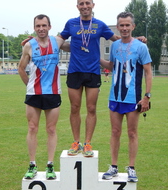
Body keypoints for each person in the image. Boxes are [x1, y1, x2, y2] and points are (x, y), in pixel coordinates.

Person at [60, 0, 147, 157]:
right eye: (81, 3)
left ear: (93, 5)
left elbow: (117, 38)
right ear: (77, 6)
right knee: (74, 107)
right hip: (74, 71)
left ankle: (87, 143)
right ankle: (76, 142)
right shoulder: (71, 24)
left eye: (87, 3)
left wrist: (136, 39)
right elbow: (59, 41)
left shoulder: (99, 25)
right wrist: (39, 41)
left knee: (91, 108)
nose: (84, 6)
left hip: (93, 71)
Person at [100, 12, 152, 183]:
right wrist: (97, 58)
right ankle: (113, 167)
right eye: (121, 25)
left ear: (133, 26)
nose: (124, 28)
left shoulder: (141, 47)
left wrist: (146, 97)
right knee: (115, 132)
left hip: (133, 98)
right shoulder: (114, 46)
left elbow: (148, 72)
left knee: (132, 133)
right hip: (115, 96)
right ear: (118, 27)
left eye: (127, 25)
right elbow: (112, 66)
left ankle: (131, 168)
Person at [18, 14, 69, 180]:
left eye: (44, 25)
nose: (41, 28)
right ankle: (32, 165)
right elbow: (21, 68)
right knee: (32, 128)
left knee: (51, 129)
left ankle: (50, 165)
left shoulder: (58, 42)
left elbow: (76, 44)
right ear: (34, 27)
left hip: (53, 93)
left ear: (49, 26)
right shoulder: (29, 46)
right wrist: (30, 86)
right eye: (38, 26)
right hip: (34, 94)